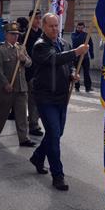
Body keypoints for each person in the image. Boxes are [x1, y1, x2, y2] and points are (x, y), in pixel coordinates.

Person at [28, 12, 87, 191]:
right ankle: (58, 175)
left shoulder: (64, 43)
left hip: (62, 96)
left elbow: (66, 65)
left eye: (56, 25)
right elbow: (53, 59)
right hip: (45, 97)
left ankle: (38, 156)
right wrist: (76, 52)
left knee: (57, 133)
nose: (54, 29)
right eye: (51, 26)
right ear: (44, 27)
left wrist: (72, 74)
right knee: (54, 134)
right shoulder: (40, 46)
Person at [0, 23, 35, 147]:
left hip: (21, 87)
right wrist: (5, 83)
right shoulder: (0, 50)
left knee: (21, 115)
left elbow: (30, 63)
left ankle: (24, 138)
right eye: (12, 34)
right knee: (2, 113)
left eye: (17, 34)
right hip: (7, 89)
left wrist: (24, 59)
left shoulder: (21, 48)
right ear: (6, 35)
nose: (16, 37)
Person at [22, 9, 44, 137]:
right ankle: (33, 125)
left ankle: (33, 121)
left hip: (42, 72)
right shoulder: (25, 36)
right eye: (36, 18)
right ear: (30, 19)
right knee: (32, 99)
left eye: (40, 18)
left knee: (39, 99)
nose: (38, 20)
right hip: (30, 72)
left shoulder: (42, 34)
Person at [70, 22, 95, 93]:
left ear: (84, 28)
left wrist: (92, 54)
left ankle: (88, 87)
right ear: (76, 27)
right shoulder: (73, 34)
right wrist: (83, 36)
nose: (80, 29)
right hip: (77, 56)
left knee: (87, 72)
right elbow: (76, 41)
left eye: (82, 28)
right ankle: (77, 87)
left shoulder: (86, 35)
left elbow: (91, 44)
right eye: (79, 28)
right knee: (77, 72)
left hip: (85, 56)